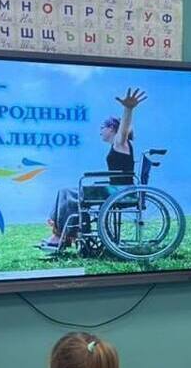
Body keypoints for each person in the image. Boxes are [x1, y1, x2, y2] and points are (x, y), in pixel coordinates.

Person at [40, 88, 147, 250]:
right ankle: (63, 235)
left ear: (111, 128)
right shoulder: (117, 145)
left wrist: (128, 109)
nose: (100, 131)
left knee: (67, 192)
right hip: (116, 190)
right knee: (66, 192)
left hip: (120, 191)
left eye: (102, 127)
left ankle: (61, 236)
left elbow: (124, 128)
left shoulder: (120, 143)